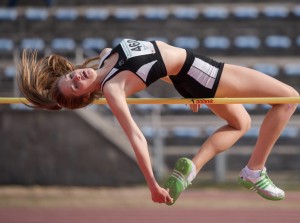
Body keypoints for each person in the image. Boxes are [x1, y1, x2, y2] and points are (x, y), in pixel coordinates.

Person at [18, 38, 299, 205]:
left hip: (188, 78)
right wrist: (152, 184)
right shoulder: (113, 89)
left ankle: (192, 169)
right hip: (201, 72)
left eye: (71, 77)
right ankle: (255, 170)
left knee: (241, 123)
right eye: (76, 87)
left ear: (72, 70)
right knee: (288, 99)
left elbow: (154, 63)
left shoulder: (106, 56)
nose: (77, 79)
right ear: (84, 97)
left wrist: (191, 88)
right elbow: (136, 136)